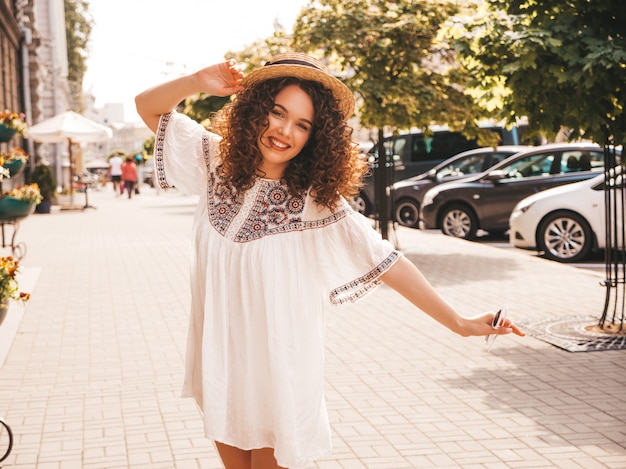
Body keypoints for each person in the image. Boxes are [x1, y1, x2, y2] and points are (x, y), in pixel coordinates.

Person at [135, 52, 525, 469]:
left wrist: (460, 323)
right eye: (277, 113)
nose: (284, 131)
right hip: (223, 368)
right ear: (254, 111)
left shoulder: (317, 205)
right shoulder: (213, 163)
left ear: (315, 138)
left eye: (302, 125)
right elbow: (149, 107)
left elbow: (388, 262)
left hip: (279, 378)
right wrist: (197, 80)